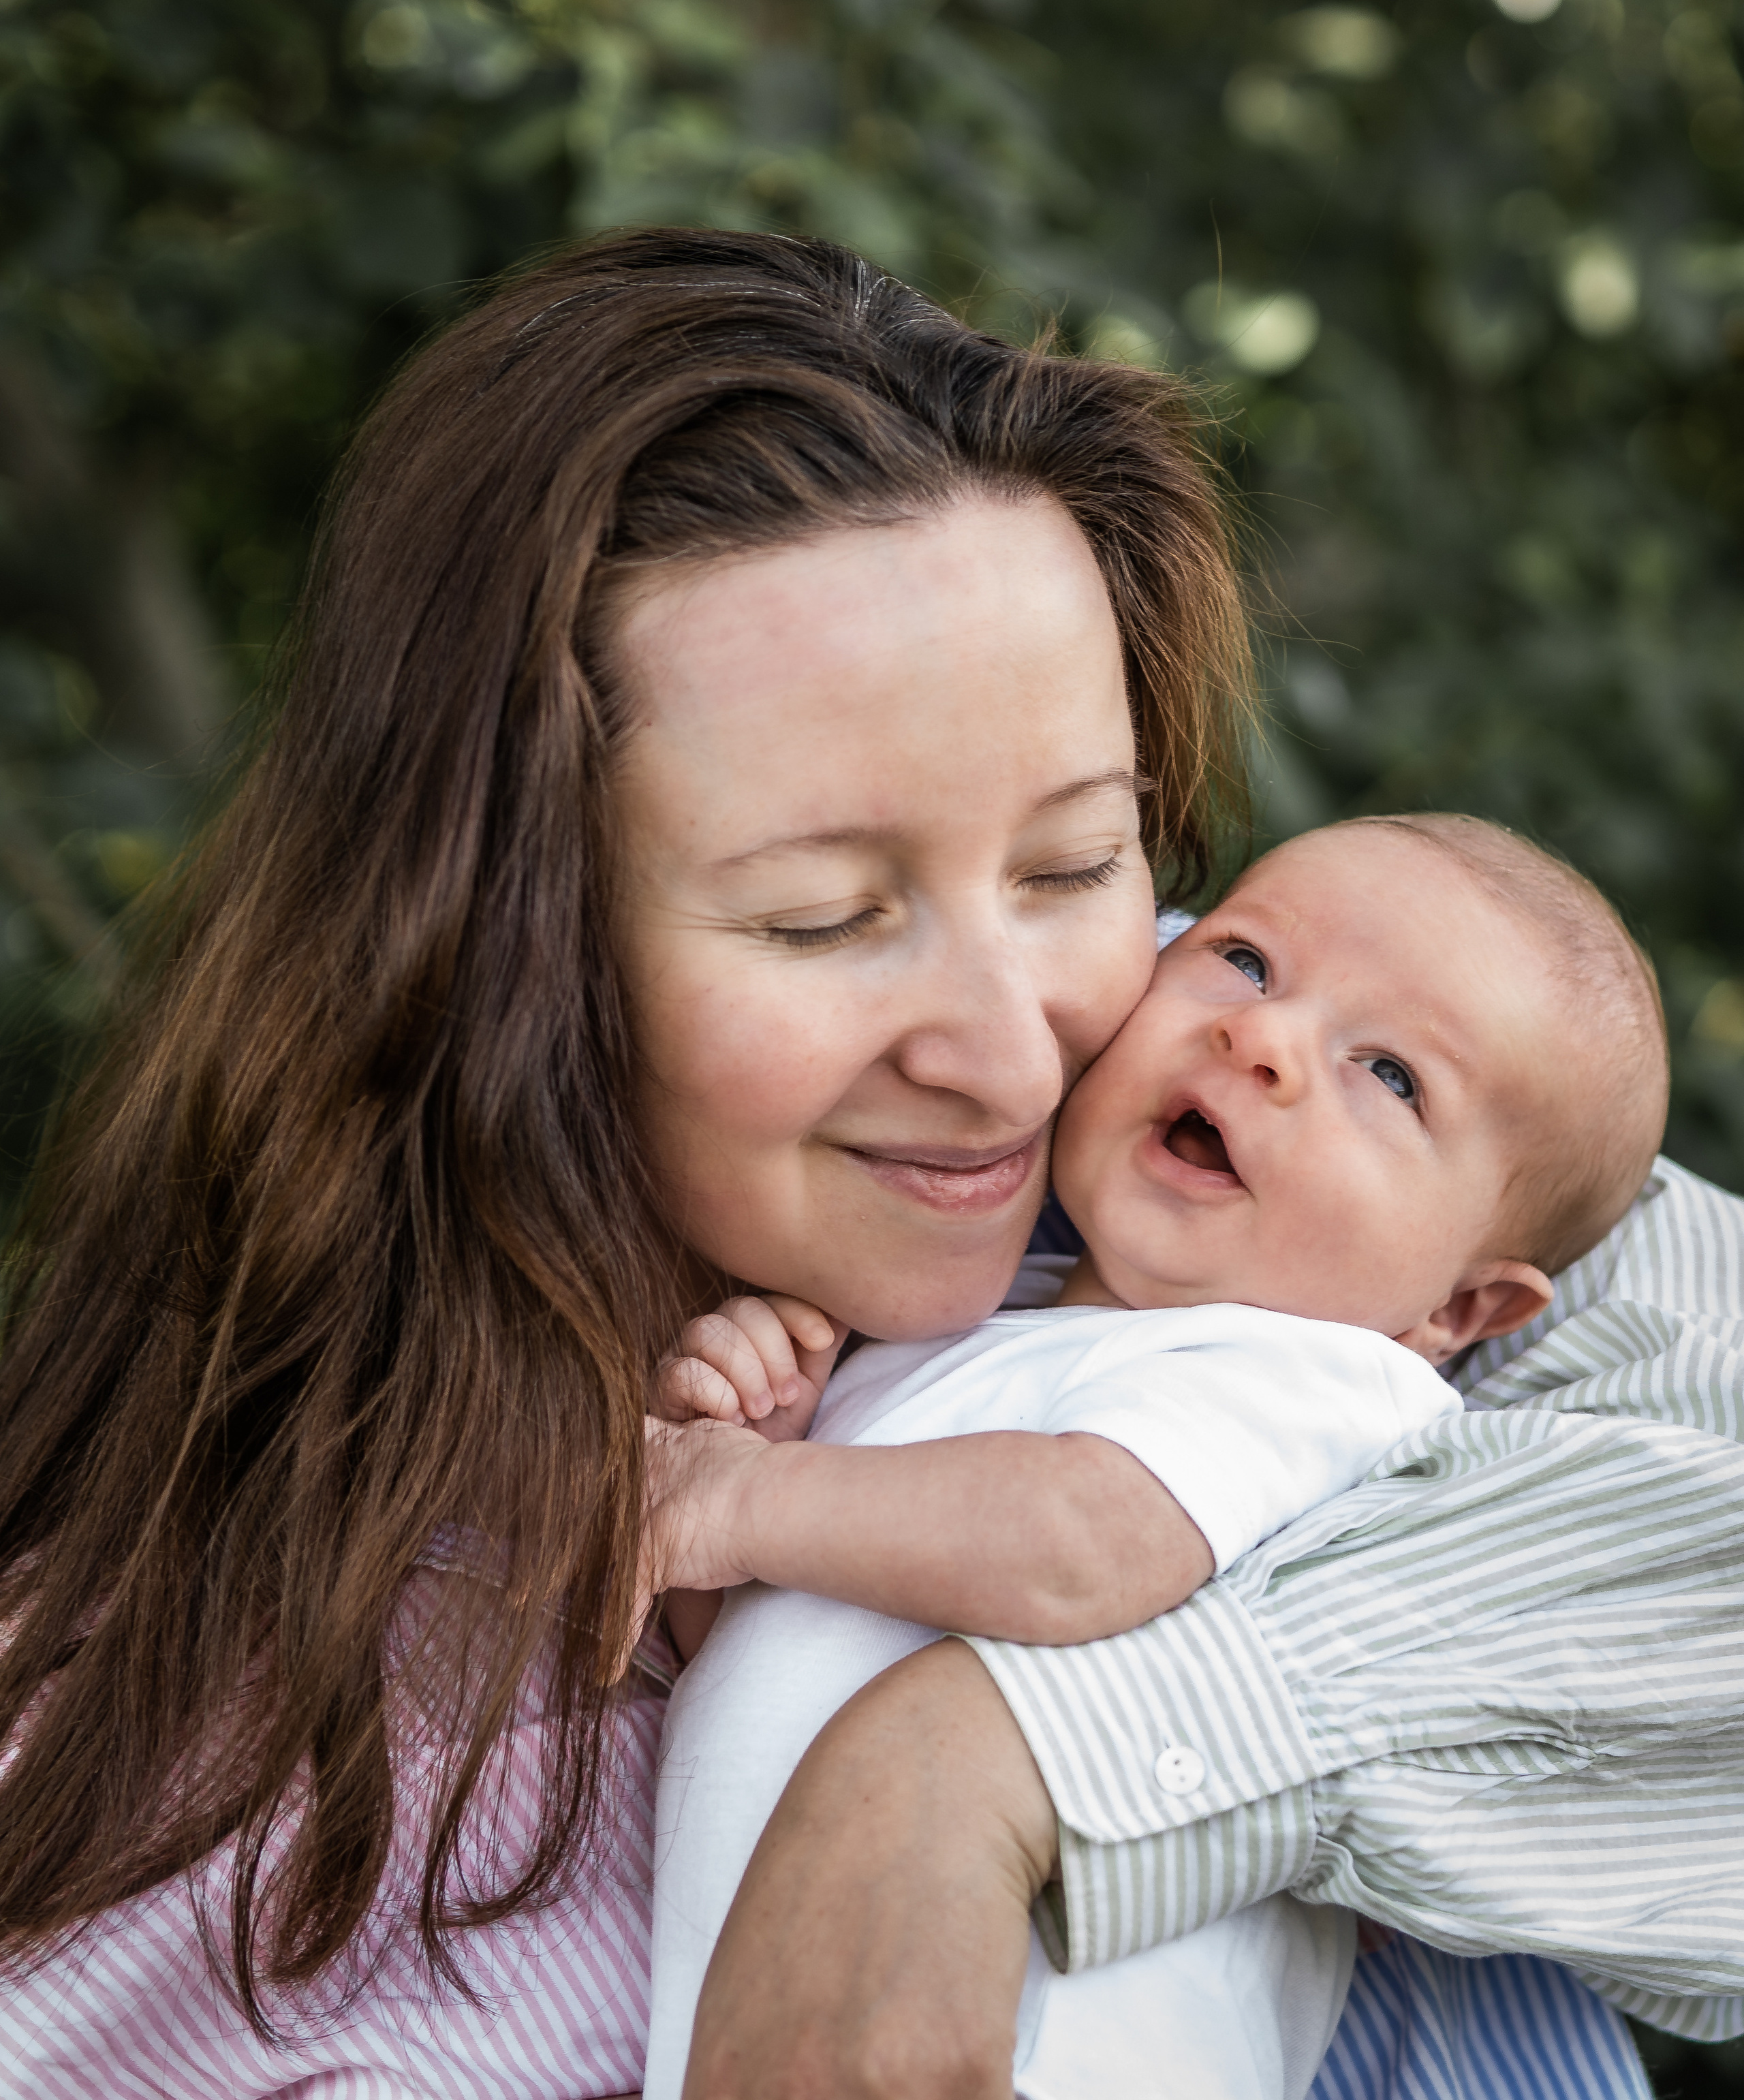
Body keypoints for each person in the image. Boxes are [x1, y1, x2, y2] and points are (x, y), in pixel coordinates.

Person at [0, 225, 1731, 2100]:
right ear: (496, 953)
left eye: (1075, 864)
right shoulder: (230, 1750)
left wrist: (985, 1755)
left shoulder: (1240, 1157)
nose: (1013, 1056)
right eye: (823, 919)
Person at [640, 813, 1669, 2100]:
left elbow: (1077, 1547)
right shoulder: (968, 1326)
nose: (1265, 1038)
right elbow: (755, 1662)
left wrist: (740, 1499)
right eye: (1245, 960)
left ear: (1459, 1309)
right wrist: (761, 1455)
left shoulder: (1325, 1386)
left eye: (1394, 1076)